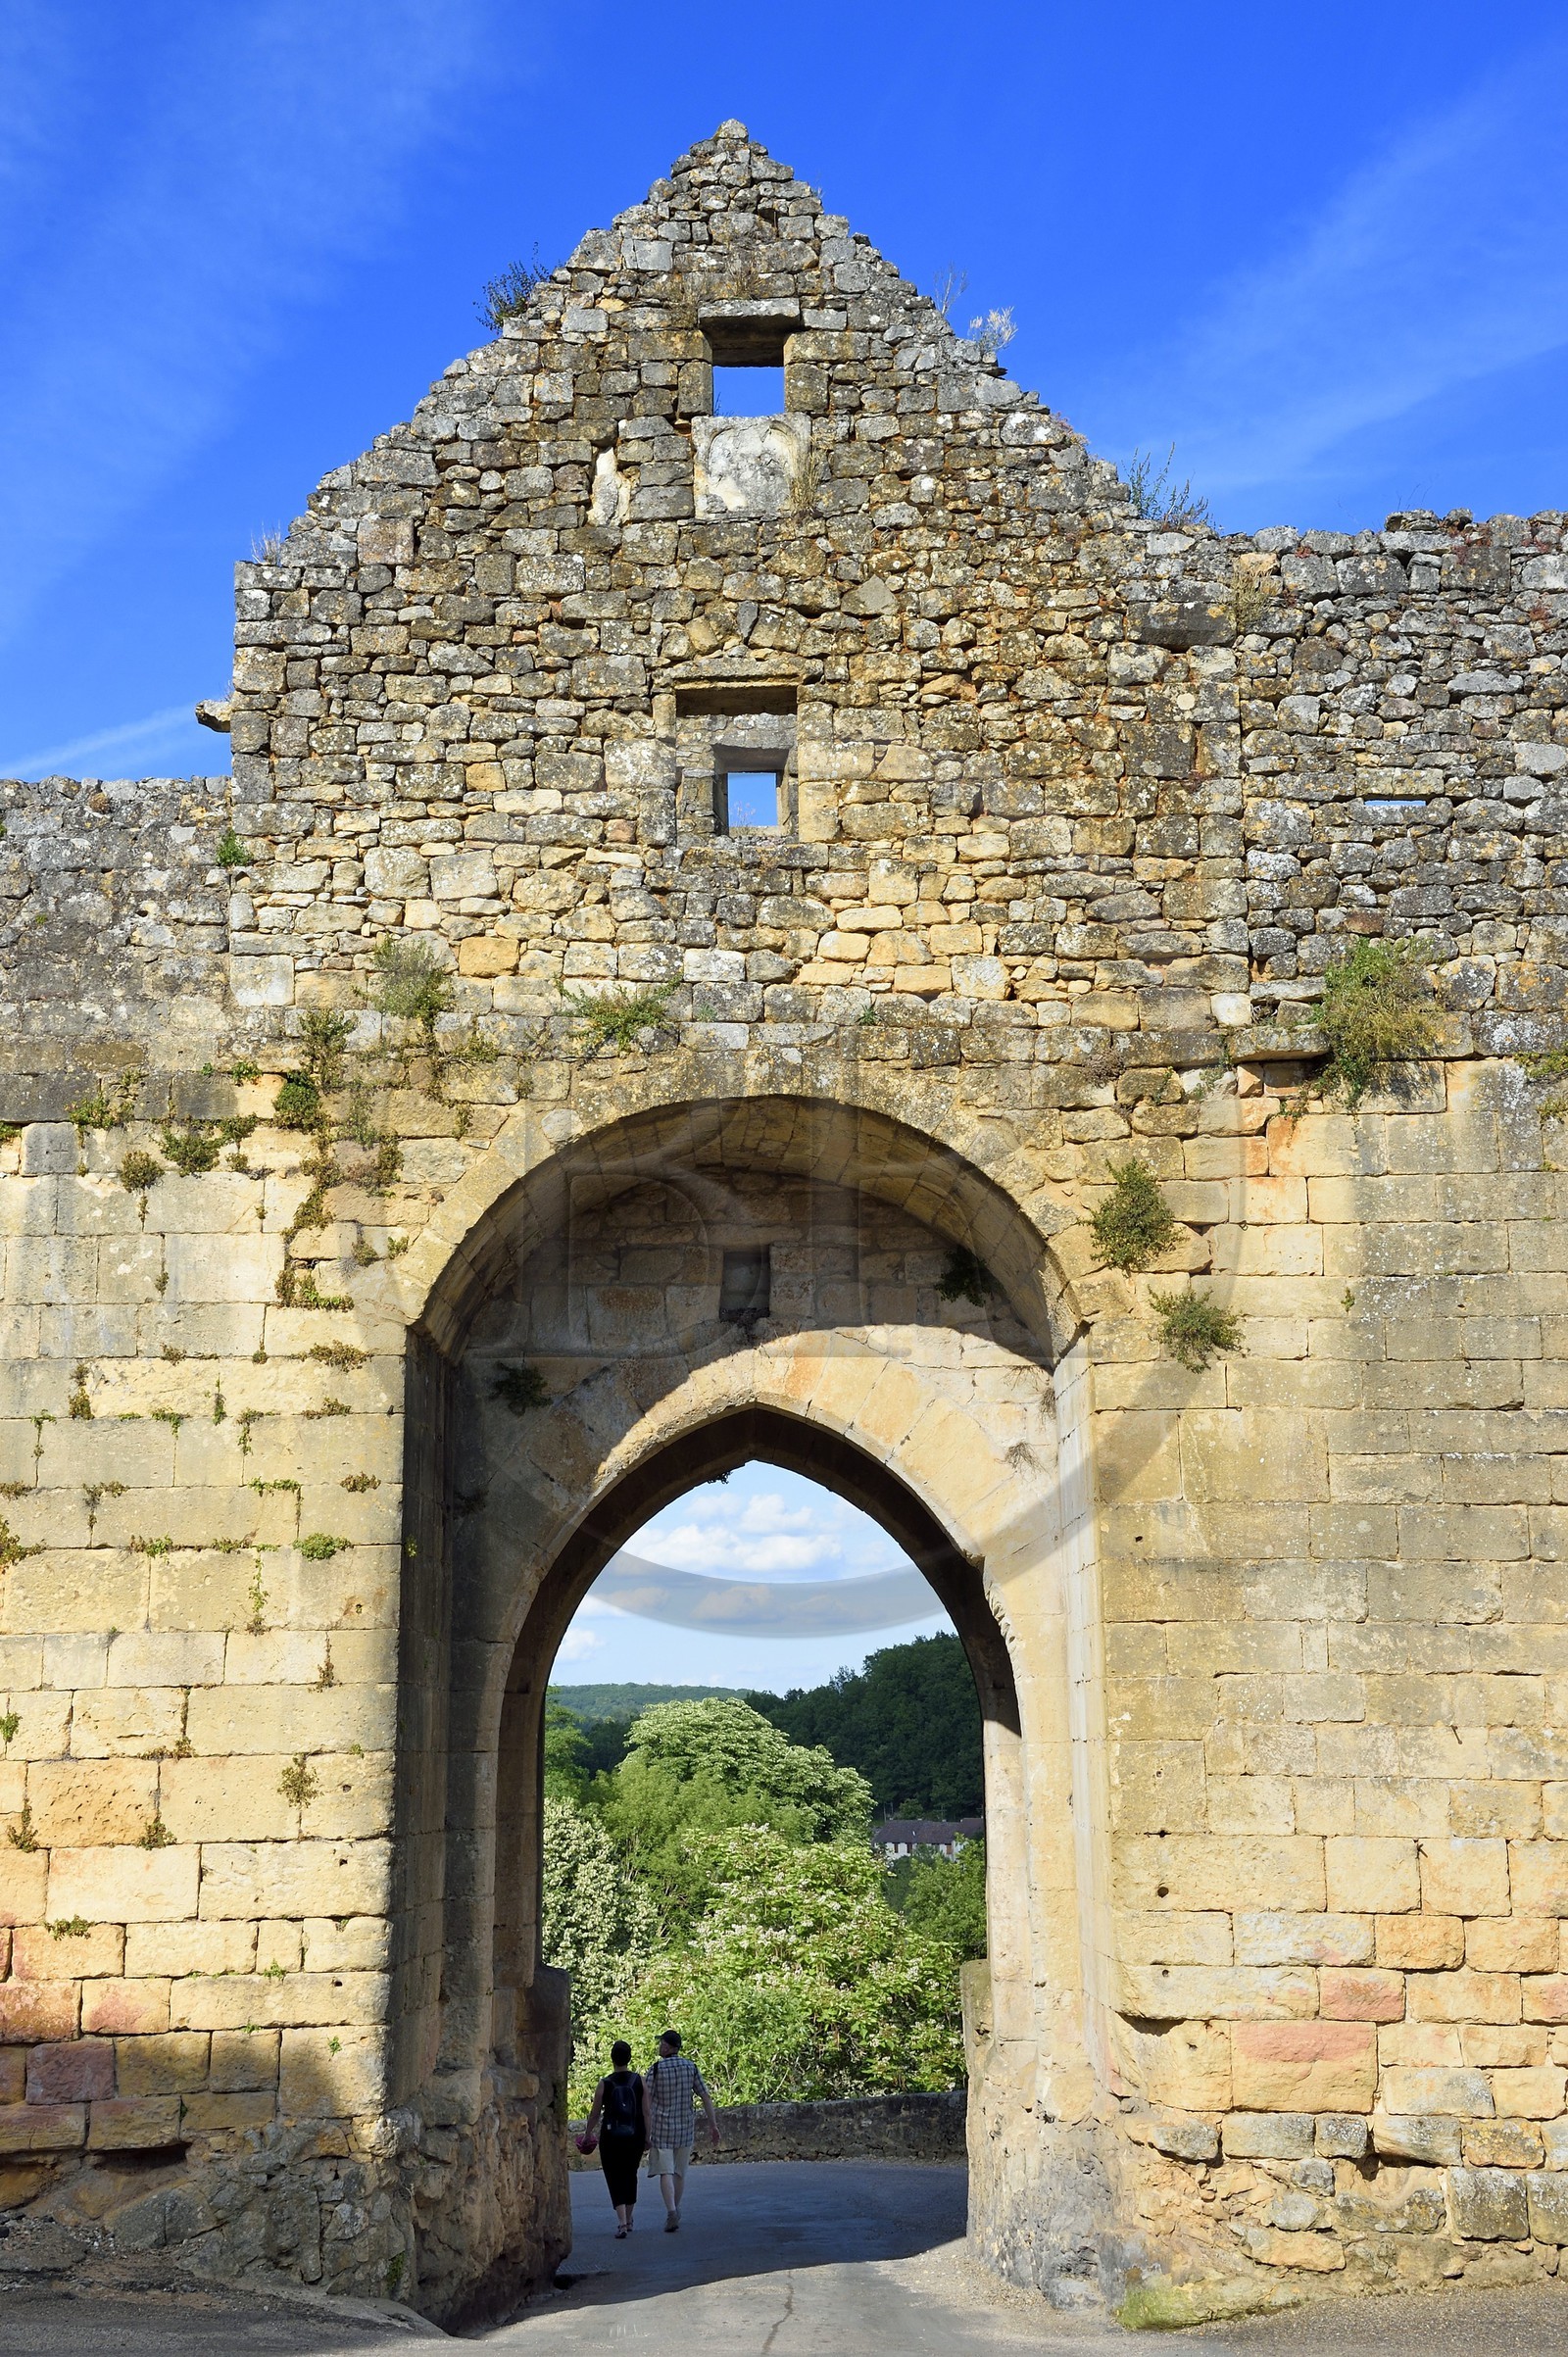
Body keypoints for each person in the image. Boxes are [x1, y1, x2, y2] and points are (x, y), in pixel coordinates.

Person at [642, 2026, 719, 2232]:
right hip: (685, 2127)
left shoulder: (656, 2069)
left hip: (661, 2128)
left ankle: (671, 2211)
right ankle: (676, 2208)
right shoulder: (690, 2067)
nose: (659, 2046)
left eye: (661, 2043)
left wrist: (644, 2129)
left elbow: (646, 2102)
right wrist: (713, 2125)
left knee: (664, 2171)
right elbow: (705, 2096)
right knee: (679, 2172)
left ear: (667, 2047)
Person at [583, 2038, 647, 2238]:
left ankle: (621, 2223)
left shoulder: (605, 2083)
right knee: (631, 2175)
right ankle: (629, 2219)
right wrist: (648, 2136)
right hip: (635, 2135)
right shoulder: (639, 2081)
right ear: (629, 2058)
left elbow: (594, 2114)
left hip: (611, 2137)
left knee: (614, 2177)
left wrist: (587, 2134)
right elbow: (646, 2111)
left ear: (612, 2059)